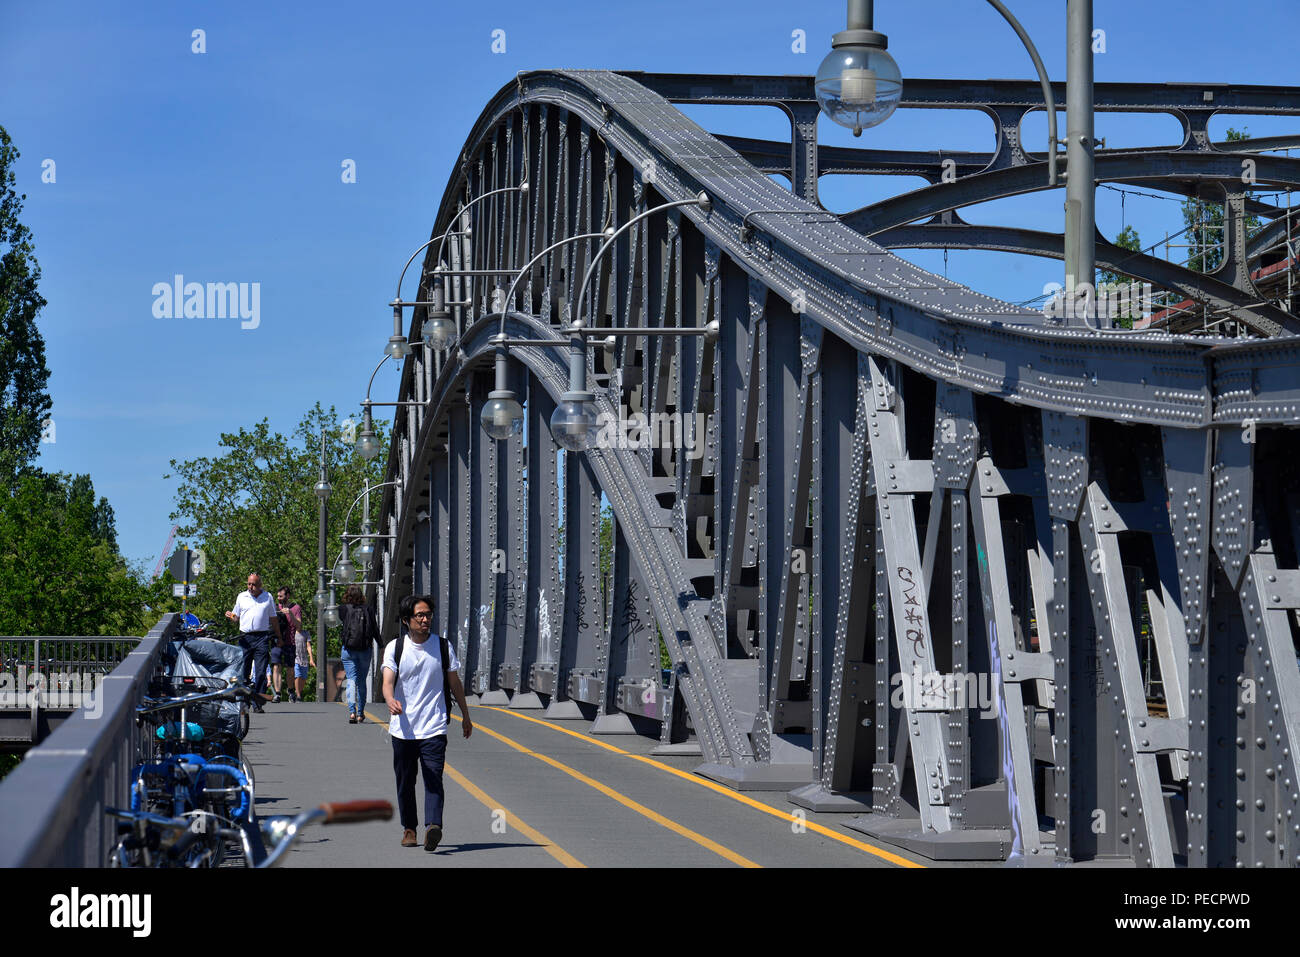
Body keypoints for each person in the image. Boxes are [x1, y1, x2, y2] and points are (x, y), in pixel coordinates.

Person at [383, 594, 471, 851]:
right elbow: (387, 682)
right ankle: (409, 828)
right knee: (405, 781)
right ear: (406, 620)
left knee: (434, 777)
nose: (425, 619)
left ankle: (433, 826)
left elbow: (454, 683)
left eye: (428, 615)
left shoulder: (443, 647)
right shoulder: (395, 647)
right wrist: (389, 700)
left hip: (433, 726)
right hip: (403, 728)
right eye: (419, 615)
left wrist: (466, 715)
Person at [225, 573, 281, 713]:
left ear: (260, 585)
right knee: (243, 670)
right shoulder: (241, 597)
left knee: (261, 671)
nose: (251, 587)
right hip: (245, 638)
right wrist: (231, 616)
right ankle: (243, 701)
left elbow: (273, 618)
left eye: (254, 584)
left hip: (262, 637)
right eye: (249, 584)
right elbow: (235, 617)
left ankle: (257, 702)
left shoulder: (267, 597)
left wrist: (279, 636)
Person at [338, 584, 380, 723]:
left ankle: (352, 712)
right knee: (361, 682)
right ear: (361, 596)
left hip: (348, 650)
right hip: (364, 650)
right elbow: (374, 629)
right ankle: (361, 713)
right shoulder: (368, 609)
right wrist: (382, 645)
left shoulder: (343, 609)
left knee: (351, 680)